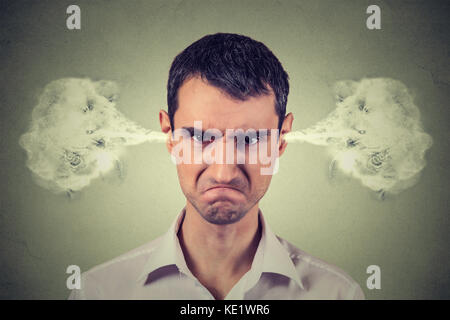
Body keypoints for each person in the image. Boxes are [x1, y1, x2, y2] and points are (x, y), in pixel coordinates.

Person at [69, 32, 365, 300]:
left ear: (281, 140)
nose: (223, 172)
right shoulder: (98, 293)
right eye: (199, 136)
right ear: (169, 135)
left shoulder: (338, 294)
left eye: (250, 139)